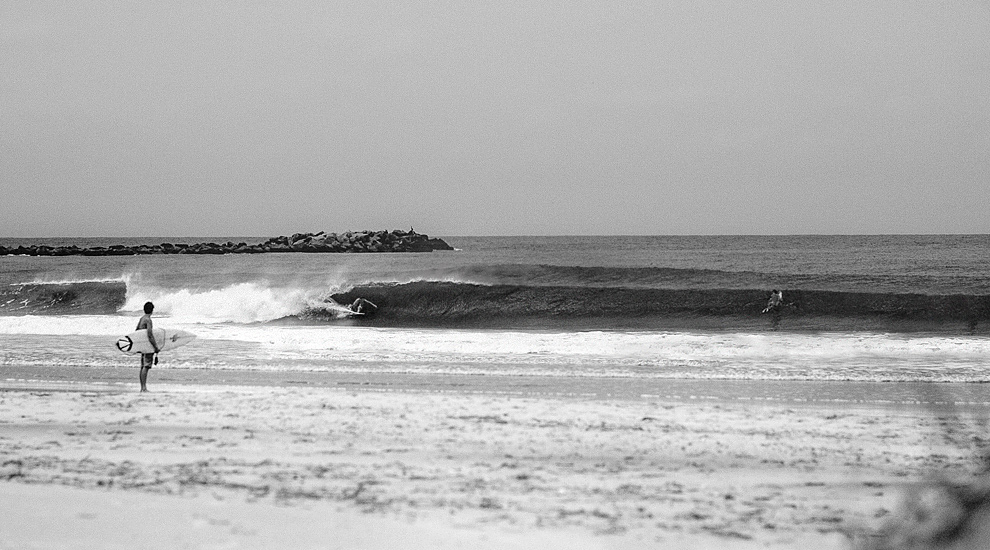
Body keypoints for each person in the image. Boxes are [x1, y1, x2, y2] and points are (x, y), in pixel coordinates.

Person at [136, 301, 160, 392]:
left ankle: (142, 387)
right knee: (146, 366)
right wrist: (155, 347)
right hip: (147, 346)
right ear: (152, 310)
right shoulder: (148, 320)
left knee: (143, 366)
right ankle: (144, 388)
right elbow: (150, 335)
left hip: (142, 345)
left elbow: (137, 331)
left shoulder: (142, 318)